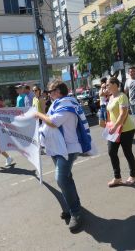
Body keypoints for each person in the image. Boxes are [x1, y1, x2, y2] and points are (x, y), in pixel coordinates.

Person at [35, 81, 84, 233]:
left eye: (50, 91)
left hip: (67, 149)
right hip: (57, 147)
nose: (48, 94)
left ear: (58, 91)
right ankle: (73, 207)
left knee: (61, 178)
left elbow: (53, 122)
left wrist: (37, 113)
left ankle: (75, 212)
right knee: (67, 178)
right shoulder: (56, 104)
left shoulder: (67, 104)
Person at [105, 77, 135, 187]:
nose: (106, 86)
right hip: (114, 129)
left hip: (126, 129)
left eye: (108, 84)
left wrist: (115, 126)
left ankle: (133, 176)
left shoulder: (122, 96)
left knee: (127, 152)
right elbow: (110, 113)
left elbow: (123, 114)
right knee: (111, 152)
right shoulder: (110, 97)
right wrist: (108, 124)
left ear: (115, 84)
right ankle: (117, 178)